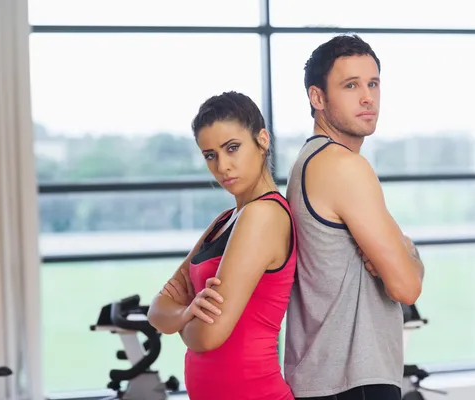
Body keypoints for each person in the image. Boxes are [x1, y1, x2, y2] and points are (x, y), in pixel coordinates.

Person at [283, 34, 425, 400]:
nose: (368, 97)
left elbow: (404, 269)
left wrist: (403, 255)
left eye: (373, 83)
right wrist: (405, 253)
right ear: (317, 98)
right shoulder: (344, 167)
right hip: (353, 382)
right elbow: (407, 287)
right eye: (350, 85)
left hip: (323, 380)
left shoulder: (309, 162)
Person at [147, 91, 297, 400]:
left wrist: (180, 319)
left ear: (263, 139)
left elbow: (208, 335)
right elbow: (156, 310)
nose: (222, 166)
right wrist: (188, 313)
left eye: (232, 148)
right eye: (210, 155)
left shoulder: (264, 214)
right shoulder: (225, 220)